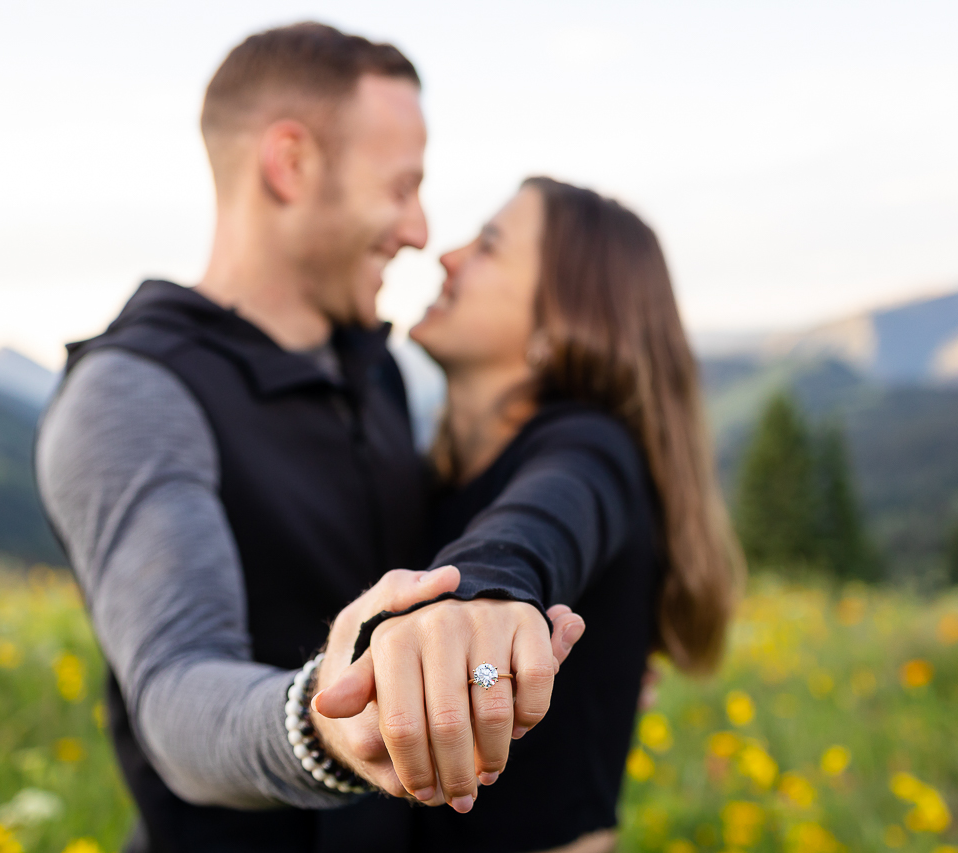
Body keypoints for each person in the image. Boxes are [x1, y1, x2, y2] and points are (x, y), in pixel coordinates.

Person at [35, 23, 585, 853]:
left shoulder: (374, 371)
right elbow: (177, 692)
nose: (418, 228)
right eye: (401, 188)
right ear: (289, 164)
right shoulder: (132, 393)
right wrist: (328, 721)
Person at [313, 177, 745, 852]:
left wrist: (485, 597)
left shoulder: (591, 447)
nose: (446, 255)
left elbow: (547, 517)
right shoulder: (442, 475)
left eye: (487, 246)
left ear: (561, 317)